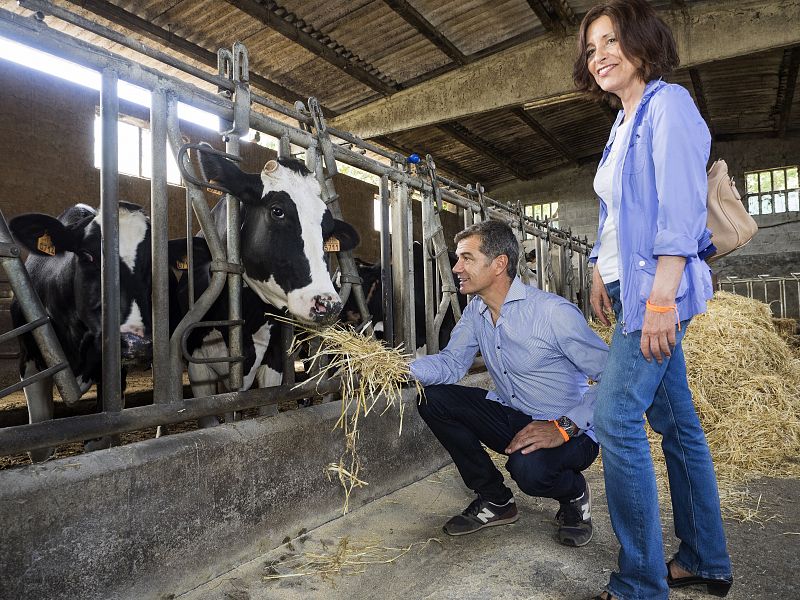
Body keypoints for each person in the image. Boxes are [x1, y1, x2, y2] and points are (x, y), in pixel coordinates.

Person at [572, 1, 733, 599]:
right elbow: (617, 212)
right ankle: (706, 560)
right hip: (625, 286)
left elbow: (680, 211)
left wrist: (661, 299)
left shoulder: (670, 106)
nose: (600, 57)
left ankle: (640, 584)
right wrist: (596, 269)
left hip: (654, 291)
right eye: (591, 49)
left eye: (611, 41)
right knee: (675, 422)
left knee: (615, 416)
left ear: (642, 42)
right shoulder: (622, 122)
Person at [410, 220, 608, 548]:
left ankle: (574, 496)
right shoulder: (476, 312)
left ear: (499, 263)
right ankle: (496, 500)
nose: (457, 268)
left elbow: (614, 376)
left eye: (466, 258)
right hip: (513, 415)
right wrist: (397, 369)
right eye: (458, 259)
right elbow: (451, 364)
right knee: (432, 399)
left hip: (569, 430)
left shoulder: (552, 313)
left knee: (528, 470)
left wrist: (564, 427)